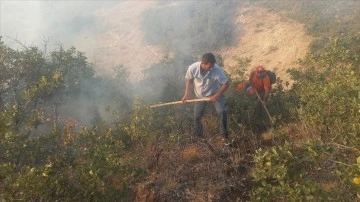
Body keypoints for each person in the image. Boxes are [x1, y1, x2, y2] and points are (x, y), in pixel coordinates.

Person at [182, 53, 230, 143]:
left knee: (222, 111)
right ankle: (200, 138)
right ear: (203, 63)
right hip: (200, 96)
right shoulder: (193, 68)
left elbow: (226, 83)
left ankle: (224, 136)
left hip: (214, 93)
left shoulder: (216, 69)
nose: (211, 68)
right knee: (197, 117)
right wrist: (186, 94)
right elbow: (189, 79)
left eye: (212, 66)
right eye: (209, 67)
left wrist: (217, 95)